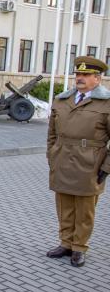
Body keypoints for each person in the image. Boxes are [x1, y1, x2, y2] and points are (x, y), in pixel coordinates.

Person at [46, 56, 110, 267]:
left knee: (84, 210)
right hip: (63, 159)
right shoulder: (61, 100)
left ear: (97, 79)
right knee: (64, 206)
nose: (80, 78)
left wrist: (106, 167)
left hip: (90, 163)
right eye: (78, 74)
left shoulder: (106, 103)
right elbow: (52, 133)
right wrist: (52, 155)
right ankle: (65, 243)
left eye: (86, 75)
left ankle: (79, 247)